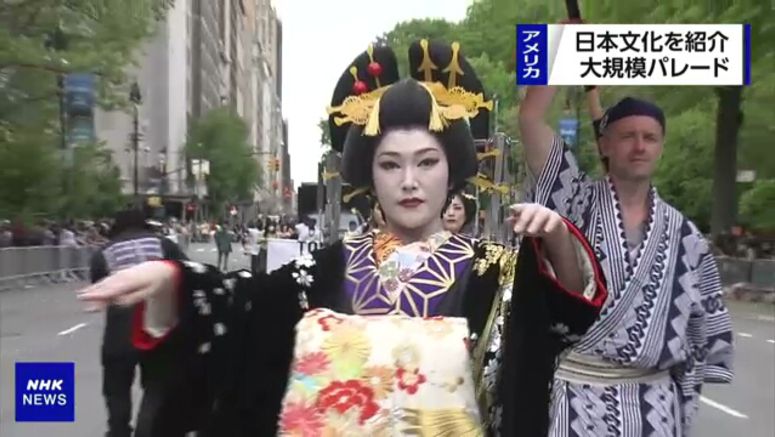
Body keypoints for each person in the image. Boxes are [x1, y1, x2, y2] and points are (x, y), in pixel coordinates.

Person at [79, 40, 608, 436]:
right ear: (368, 176)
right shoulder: (323, 270)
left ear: (451, 173)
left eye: (426, 162)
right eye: (390, 164)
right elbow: (239, 313)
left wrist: (559, 237)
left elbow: (565, 322)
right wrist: (173, 281)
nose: (408, 181)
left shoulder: (499, 273)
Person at [518, 80, 734, 436]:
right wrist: (559, 50)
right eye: (627, 136)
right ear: (605, 144)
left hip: (653, 410)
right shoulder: (573, 200)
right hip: (574, 403)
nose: (639, 146)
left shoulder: (686, 235)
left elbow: (704, 331)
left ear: (661, 147)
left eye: (649, 138)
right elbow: (530, 118)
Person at [89, 208, 188, 437]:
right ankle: (149, 428)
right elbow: (186, 274)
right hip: (158, 327)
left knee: (116, 388)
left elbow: (100, 289)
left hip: (119, 332)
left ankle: (119, 430)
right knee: (157, 384)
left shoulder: (103, 253)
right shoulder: (164, 245)